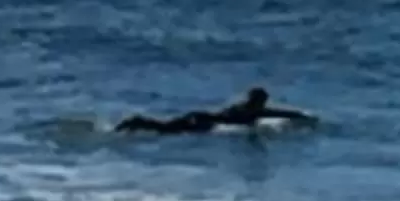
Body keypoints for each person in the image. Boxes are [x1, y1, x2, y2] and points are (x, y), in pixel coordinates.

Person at [116, 85, 316, 136]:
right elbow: (275, 114)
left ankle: (138, 122)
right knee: (167, 131)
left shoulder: (243, 107)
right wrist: (301, 117)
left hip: (201, 117)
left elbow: (274, 113)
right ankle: (138, 122)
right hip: (204, 121)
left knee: (166, 128)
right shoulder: (251, 111)